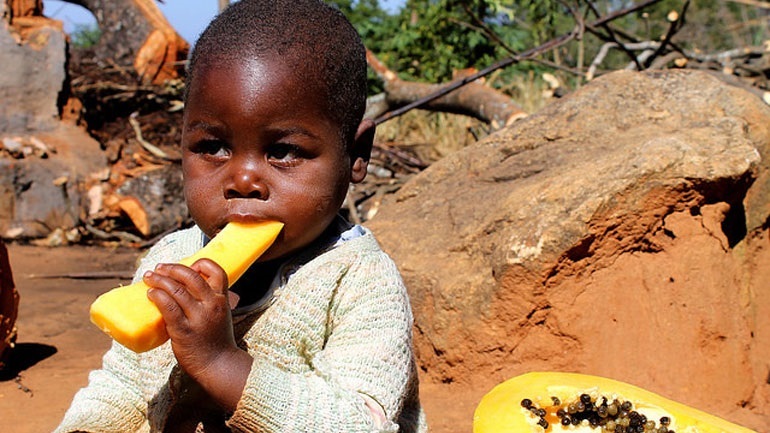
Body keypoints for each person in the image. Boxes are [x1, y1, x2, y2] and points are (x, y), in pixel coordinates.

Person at [55, 1, 427, 432]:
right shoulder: (171, 259)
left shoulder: (359, 283)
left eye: (283, 152)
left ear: (355, 155)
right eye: (213, 147)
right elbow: (124, 386)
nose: (243, 180)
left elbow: (361, 424)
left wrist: (220, 363)